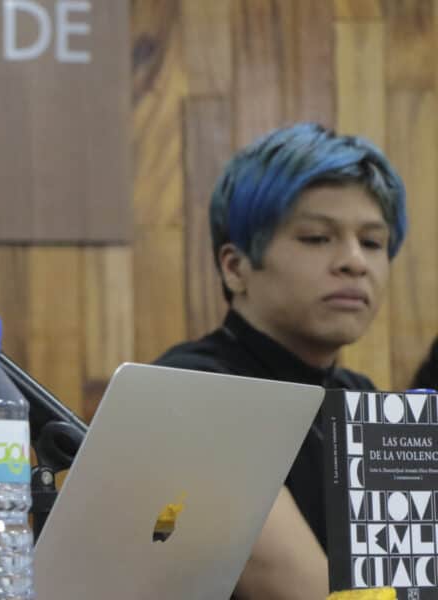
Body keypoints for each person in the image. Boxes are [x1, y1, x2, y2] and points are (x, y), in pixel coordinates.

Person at [155, 122, 407, 599]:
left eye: (373, 242)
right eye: (316, 238)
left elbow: (407, 582)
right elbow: (299, 588)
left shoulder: (364, 398)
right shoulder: (188, 391)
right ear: (236, 267)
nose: (354, 262)